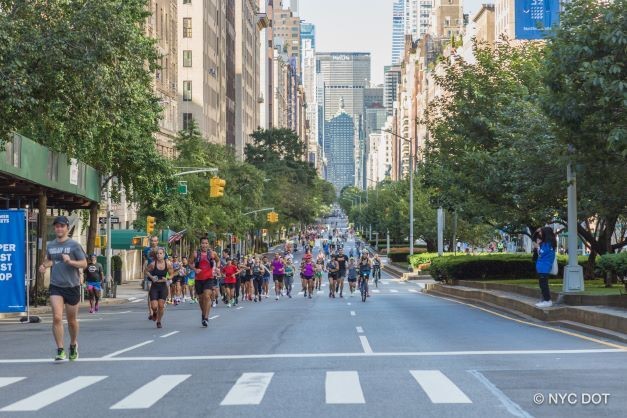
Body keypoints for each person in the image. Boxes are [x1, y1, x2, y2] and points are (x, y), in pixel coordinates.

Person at [39, 216, 88, 361]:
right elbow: (49, 260)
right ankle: (60, 349)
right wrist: (44, 265)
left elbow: (84, 264)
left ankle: (73, 344)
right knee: (57, 317)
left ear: (67, 228)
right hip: (56, 286)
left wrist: (70, 261)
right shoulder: (51, 245)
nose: (59, 229)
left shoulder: (74, 245)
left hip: (72, 286)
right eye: (57, 226)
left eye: (62, 226)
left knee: (72, 320)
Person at [145, 247, 174, 328]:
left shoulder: (168, 264)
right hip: (155, 286)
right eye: (157, 253)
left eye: (161, 253)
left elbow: (172, 274)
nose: (159, 255)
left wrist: (167, 278)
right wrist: (151, 277)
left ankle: (159, 321)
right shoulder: (153, 264)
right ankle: (154, 312)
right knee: (154, 306)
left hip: (163, 287)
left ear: (164, 255)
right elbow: (146, 271)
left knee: (161, 306)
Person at [194, 237, 217, 327]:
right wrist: (195, 269)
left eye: (206, 243)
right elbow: (189, 263)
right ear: (200, 244)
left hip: (209, 278)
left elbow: (218, 261)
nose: (204, 245)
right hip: (198, 279)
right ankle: (203, 314)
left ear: (208, 244)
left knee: (207, 296)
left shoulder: (212, 253)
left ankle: (206, 318)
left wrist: (217, 268)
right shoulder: (196, 254)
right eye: (203, 243)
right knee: (201, 299)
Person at [143, 236, 167, 320]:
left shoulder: (162, 250)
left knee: (160, 294)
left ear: (158, 241)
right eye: (152, 241)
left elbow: (166, 261)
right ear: (150, 241)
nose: (154, 242)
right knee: (150, 293)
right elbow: (145, 261)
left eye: (155, 241)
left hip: (160, 273)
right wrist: (146, 273)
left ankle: (160, 305)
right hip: (151, 272)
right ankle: (151, 312)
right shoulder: (146, 250)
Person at [533, 227, 557, 308]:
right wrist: (536, 232)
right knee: (542, 284)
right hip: (542, 267)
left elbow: (542, 253)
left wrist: (537, 247)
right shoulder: (546, 243)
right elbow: (534, 239)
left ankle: (547, 300)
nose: (540, 234)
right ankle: (545, 300)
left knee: (544, 285)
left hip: (544, 267)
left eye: (541, 232)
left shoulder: (548, 244)